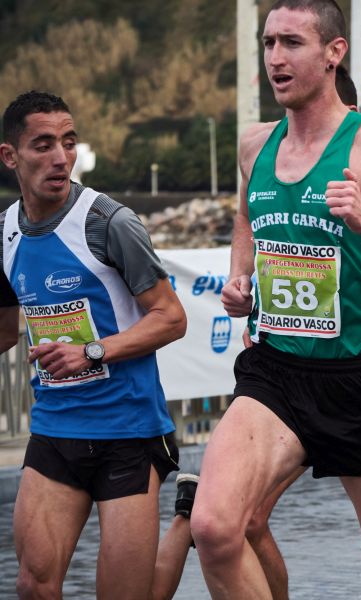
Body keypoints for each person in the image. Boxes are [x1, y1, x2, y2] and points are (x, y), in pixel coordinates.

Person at [189, 1, 361, 598]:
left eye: (292, 42)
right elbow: (247, 216)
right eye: (268, 43)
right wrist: (241, 276)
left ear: (334, 53)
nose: (275, 58)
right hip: (275, 372)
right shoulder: (253, 145)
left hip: (359, 379)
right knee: (213, 528)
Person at [0, 90, 187, 598]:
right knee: (34, 585)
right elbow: (3, 332)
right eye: (43, 145)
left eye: (68, 142)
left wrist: (92, 351)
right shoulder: (4, 235)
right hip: (56, 429)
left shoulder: (110, 223)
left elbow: (171, 318)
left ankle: (184, 524)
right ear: (10, 156)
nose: (61, 157)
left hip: (127, 432)